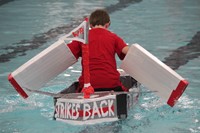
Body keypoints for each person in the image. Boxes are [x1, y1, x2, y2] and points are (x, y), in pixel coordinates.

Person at [67, 9, 129, 93]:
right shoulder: (113, 37)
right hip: (111, 84)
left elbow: (67, 53)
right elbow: (128, 52)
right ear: (108, 24)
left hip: (88, 86)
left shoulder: (82, 38)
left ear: (91, 25)